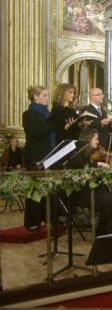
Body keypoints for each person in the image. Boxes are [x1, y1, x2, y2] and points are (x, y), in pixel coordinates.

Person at [69, 128, 112, 236]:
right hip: (79, 193)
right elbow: (82, 168)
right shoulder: (76, 154)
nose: (98, 142)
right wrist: (98, 165)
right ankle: (102, 233)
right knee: (109, 201)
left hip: (89, 190)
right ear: (88, 139)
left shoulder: (85, 154)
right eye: (96, 139)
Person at [22, 86, 56, 229]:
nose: (47, 98)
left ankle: (46, 219)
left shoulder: (47, 114)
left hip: (49, 154)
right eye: (44, 95)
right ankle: (32, 222)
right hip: (35, 155)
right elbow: (39, 131)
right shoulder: (29, 114)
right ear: (35, 97)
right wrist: (54, 121)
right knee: (35, 189)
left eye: (47, 95)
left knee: (47, 188)